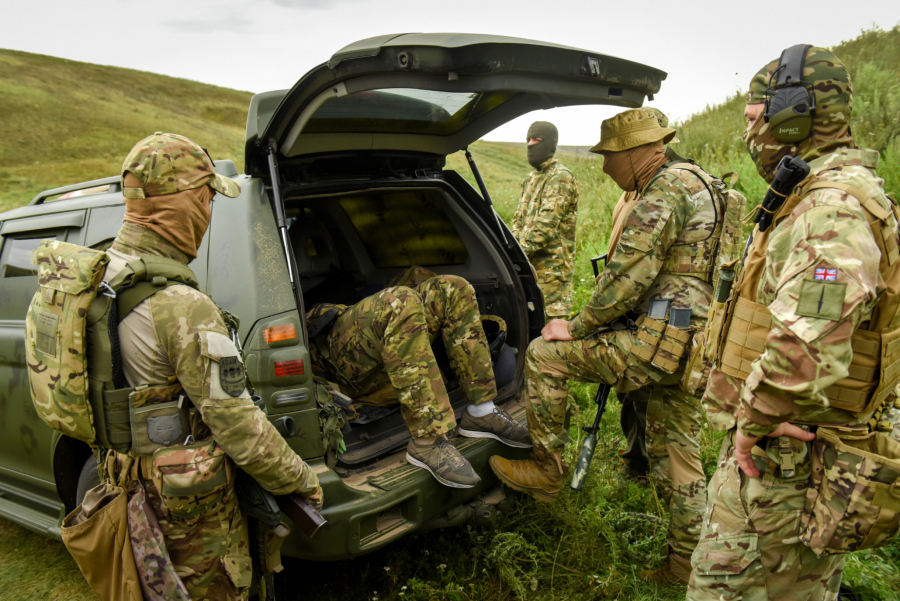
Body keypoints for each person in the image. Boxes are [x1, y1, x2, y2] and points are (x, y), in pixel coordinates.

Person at [689, 45, 900, 600]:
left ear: (791, 116)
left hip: (784, 463)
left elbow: (812, 341)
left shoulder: (830, 210)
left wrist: (756, 416)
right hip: (794, 453)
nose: (749, 136)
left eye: (756, 120)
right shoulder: (822, 192)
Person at [491, 108, 720, 584]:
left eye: (608, 155)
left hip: (656, 341)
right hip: (691, 343)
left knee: (543, 355)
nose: (603, 166)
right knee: (679, 450)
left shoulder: (665, 190)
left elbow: (626, 276)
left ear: (636, 152)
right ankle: (685, 566)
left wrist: (575, 327)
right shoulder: (707, 185)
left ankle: (548, 471)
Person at [109, 133, 321, 600]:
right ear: (181, 203)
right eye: (205, 199)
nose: (208, 215)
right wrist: (301, 479)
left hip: (120, 485)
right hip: (187, 507)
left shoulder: (94, 279)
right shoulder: (180, 305)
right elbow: (238, 426)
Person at [306, 274, 531, 489]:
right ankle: (427, 441)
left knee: (455, 288)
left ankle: (481, 411)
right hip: (325, 350)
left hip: (358, 335)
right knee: (400, 301)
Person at [510, 121, 580, 320]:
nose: (531, 145)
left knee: (551, 334)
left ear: (550, 143)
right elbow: (518, 219)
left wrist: (515, 255)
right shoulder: (530, 178)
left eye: (536, 140)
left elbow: (544, 228)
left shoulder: (560, 177)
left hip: (552, 277)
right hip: (529, 272)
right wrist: (513, 245)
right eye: (528, 140)